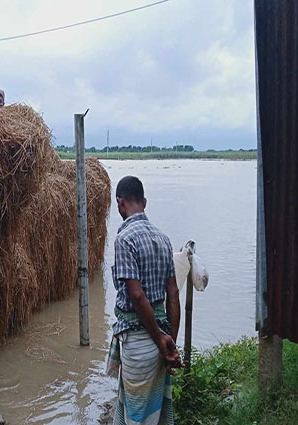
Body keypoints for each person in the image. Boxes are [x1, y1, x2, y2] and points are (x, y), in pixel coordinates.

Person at [106, 176, 182, 425]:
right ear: (144, 202)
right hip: (160, 340)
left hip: (140, 344)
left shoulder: (124, 239)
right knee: (155, 414)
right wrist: (170, 342)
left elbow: (136, 295)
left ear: (120, 204)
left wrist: (161, 341)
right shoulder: (163, 239)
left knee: (136, 415)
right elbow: (173, 294)